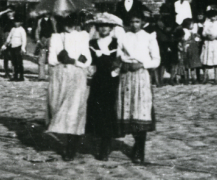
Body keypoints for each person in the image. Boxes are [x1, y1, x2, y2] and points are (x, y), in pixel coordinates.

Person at [114, 12, 161, 165]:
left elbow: (156, 60)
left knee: (141, 111)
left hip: (141, 76)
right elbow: (118, 55)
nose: (134, 24)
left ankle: (140, 148)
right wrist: (122, 64)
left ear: (142, 22)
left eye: (137, 21)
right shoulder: (123, 37)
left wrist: (142, 64)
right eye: (132, 21)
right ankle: (136, 142)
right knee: (128, 111)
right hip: (126, 77)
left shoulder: (149, 37)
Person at [46, 13, 92, 161]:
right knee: (59, 109)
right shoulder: (56, 37)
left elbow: (86, 59)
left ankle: (71, 147)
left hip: (77, 75)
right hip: (59, 76)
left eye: (71, 22)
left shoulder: (83, 36)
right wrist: (60, 56)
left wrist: (72, 60)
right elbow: (51, 60)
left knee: (73, 111)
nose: (68, 26)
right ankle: (68, 141)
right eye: (65, 23)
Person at [84, 13, 123, 161]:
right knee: (97, 110)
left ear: (112, 28)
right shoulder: (92, 44)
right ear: (97, 28)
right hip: (98, 81)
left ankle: (105, 146)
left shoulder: (116, 43)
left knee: (109, 111)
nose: (104, 28)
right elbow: (86, 59)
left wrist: (116, 68)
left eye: (107, 26)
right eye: (101, 26)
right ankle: (98, 140)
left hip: (112, 81)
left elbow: (120, 59)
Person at [200, 6, 217, 84]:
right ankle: (205, 77)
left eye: (215, 16)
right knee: (207, 61)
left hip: (216, 43)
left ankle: (216, 78)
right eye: (211, 16)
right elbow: (203, 32)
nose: (213, 18)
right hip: (208, 43)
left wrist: (216, 37)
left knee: (216, 61)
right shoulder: (206, 23)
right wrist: (207, 36)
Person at [35, 0, 56, 81]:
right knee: (41, 57)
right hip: (43, 38)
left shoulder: (52, 20)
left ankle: (51, 75)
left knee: (51, 57)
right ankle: (41, 75)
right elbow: (37, 30)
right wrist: (38, 39)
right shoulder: (40, 20)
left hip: (51, 38)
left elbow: (55, 29)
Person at [2, 14, 28, 81]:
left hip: (18, 47)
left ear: (20, 23)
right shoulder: (13, 29)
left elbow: (24, 40)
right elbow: (9, 38)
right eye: (15, 22)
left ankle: (21, 76)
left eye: (18, 22)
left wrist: (23, 48)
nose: (16, 23)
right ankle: (15, 76)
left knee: (19, 62)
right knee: (14, 62)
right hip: (12, 47)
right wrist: (5, 45)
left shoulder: (22, 30)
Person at [175, 18, 202, 84]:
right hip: (187, 49)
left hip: (192, 49)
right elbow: (184, 40)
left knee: (191, 65)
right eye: (191, 24)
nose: (193, 26)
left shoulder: (190, 32)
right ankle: (188, 79)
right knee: (187, 65)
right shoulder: (184, 31)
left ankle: (192, 78)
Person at [0, 6, 17, 79]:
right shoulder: (4, 20)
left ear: (14, 12)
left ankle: (14, 72)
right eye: (8, 12)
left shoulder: (16, 20)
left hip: (14, 38)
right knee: (5, 56)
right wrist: (5, 11)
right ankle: (6, 72)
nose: (9, 13)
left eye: (11, 11)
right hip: (6, 37)